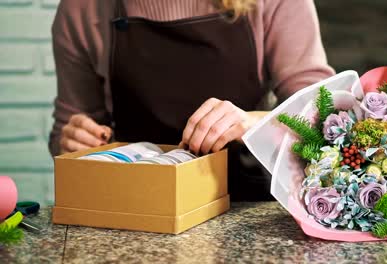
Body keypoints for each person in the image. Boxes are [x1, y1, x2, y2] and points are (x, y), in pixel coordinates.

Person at [49, 0, 335, 200]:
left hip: (246, 209)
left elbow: (325, 115)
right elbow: (65, 136)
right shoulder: (82, 8)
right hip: (136, 209)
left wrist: (251, 122)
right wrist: (74, 141)